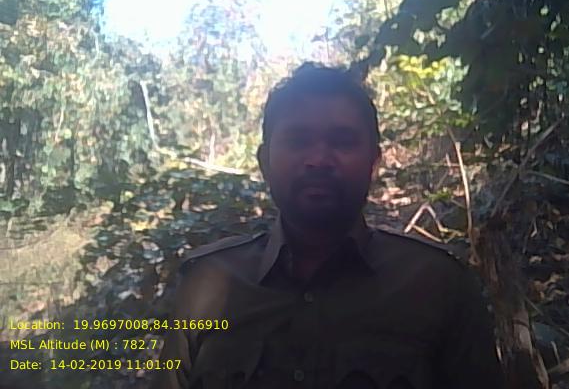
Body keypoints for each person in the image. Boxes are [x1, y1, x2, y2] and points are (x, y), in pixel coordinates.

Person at [155, 63, 506, 389]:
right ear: (265, 162)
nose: (319, 160)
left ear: (374, 162)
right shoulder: (203, 287)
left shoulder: (438, 285)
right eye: (298, 141)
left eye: (342, 142)